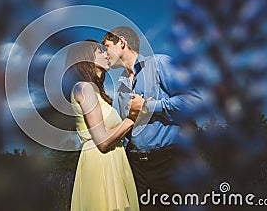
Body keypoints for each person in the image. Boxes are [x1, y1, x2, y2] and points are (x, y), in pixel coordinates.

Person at [101, 26, 201, 210]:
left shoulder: (160, 63)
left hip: (168, 163)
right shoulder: (122, 89)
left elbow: (194, 100)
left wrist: (148, 106)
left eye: (106, 47)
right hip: (136, 168)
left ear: (121, 42)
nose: (105, 54)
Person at [63, 40, 140, 211]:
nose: (107, 55)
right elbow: (103, 142)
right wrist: (133, 117)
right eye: (100, 51)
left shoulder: (93, 89)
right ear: (86, 59)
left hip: (112, 161)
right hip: (101, 163)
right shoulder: (85, 88)